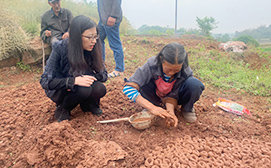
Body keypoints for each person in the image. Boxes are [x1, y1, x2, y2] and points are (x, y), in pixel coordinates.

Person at [40, 15, 107, 122]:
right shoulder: (60, 48)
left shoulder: (92, 48)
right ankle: (63, 108)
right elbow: (45, 81)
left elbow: (104, 75)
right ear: (76, 36)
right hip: (62, 89)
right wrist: (73, 81)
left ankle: (87, 104)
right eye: (89, 37)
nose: (94, 41)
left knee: (100, 88)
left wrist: (88, 78)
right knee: (83, 89)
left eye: (95, 37)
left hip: (82, 86)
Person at [123, 43, 205, 127]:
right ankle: (152, 104)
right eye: (168, 69)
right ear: (161, 59)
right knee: (143, 82)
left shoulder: (185, 71)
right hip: (153, 95)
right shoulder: (151, 65)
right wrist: (151, 108)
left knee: (194, 84)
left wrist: (171, 113)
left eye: (176, 70)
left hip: (174, 98)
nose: (171, 73)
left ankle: (187, 109)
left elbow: (173, 94)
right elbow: (128, 88)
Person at [97, 0, 125, 78]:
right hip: (103, 19)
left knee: (114, 44)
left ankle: (119, 69)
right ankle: (100, 64)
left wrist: (113, 16)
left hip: (110, 19)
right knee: (98, 39)